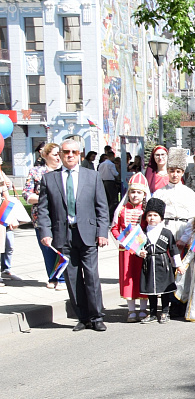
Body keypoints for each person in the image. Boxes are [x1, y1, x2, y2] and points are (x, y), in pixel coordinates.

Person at [34, 137, 110, 332]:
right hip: (63, 234)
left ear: (79, 155)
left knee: (91, 275)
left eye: (73, 152)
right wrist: (45, 232)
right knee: (72, 276)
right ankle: (83, 317)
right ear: (60, 154)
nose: (69, 155)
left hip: (88, 234)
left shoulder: (91, 176)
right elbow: (43, 210)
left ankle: (96, 316)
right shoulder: (49, 178)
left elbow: (102, 206)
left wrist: (102, 232)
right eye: (66, 152)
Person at [24, 142, 66, 290]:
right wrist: (45, 198)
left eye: (59, 154)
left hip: (61, 217)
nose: (58, 157)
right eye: (55, 154)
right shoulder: (36, 172)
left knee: (61, 247)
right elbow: (27, 194)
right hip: (41, 217)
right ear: (45, 155)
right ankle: (52, 277)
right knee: (47, 248)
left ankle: (62, 278)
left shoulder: (64, 172)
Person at [137, 198, 184, 323]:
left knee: (164, 289)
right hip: (148, 263)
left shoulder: (167, 233)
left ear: (161, 218)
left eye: (155, 215)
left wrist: (179, 265)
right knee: (151, 289)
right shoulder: (141, 233)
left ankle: (164, 312)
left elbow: (173, 250)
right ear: (146, 217)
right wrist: (139, 252)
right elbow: (137, 247)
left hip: (163, 264)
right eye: (149, 215)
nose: (152, 218)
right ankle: (152, 313)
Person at [111, 174, 150, 321]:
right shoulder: (121, 210)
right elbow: (115, 227)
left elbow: (148, 228)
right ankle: (131, 310)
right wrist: (120, 239)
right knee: (128, 279)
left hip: (141, 250)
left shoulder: (145, 210)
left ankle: (143, 308)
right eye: (133, 192)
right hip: (126, 250)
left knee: (141, 277)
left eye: (139, 192)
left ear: (144, 194)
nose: (135, 195)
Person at [155, 148, 195, 236]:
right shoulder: (159, 193)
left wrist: (185, 238)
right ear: (167, 171)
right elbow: (155, 216)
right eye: (172, 171)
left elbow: (193, 217)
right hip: (165, 230)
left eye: (178, 171)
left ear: (182, 173)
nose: (175, 175)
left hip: (184, 229)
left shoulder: (189, 193)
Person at [98, 147, 120, 215]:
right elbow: (115, 173)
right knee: (113, 200)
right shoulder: (111, 164)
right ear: (112, 157)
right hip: (110, 182)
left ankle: (104, 213)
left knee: (106, 199)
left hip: (102, 182)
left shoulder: (101, 164)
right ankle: (110, 214)